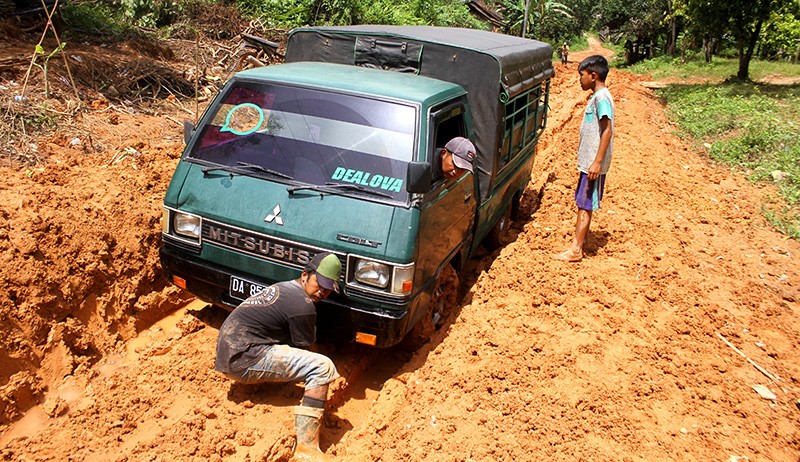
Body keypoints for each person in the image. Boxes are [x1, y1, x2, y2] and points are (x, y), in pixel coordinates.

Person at [214, 252, 343, 460]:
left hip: (230, 351)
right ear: (305, 275)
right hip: (243, 359)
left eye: (328, 290)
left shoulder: (285, 287)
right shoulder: (303, 305)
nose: (322, 292)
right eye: (320, 284)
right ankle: (306, 449)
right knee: (322, 367)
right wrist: (324, 357)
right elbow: (307, 347)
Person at [553, 55, 614, 262]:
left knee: (584, 204)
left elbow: (607, 131)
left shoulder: (602, 98)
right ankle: (579, 243)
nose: (580, 80)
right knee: (583, 203)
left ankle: (576, 250)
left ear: (593, 76)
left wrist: (596, 162)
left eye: (582, 75)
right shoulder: (596, 97)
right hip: (589, 162)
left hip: (592, 164)